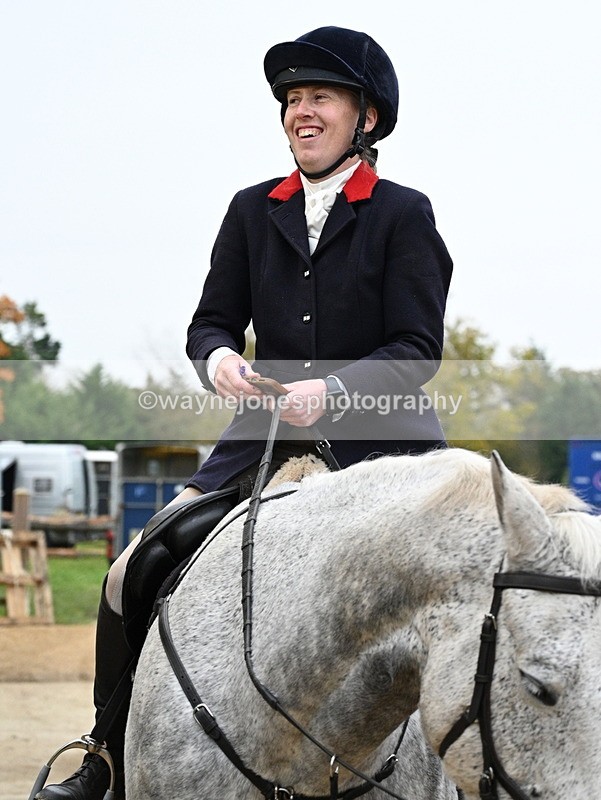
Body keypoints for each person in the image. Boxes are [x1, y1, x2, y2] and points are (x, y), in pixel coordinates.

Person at [36, 25, 453, 800]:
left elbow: (416, 348)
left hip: (382, 448)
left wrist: (332, 391)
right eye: (291, 99)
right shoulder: (251, 210)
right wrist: (221, 359)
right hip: (261, 440)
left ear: (365, 117)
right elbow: (210, 324)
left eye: (319, 96)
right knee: (129, 573)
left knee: (469, 587)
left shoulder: (403, 213)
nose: (300, 111)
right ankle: (104, 755)